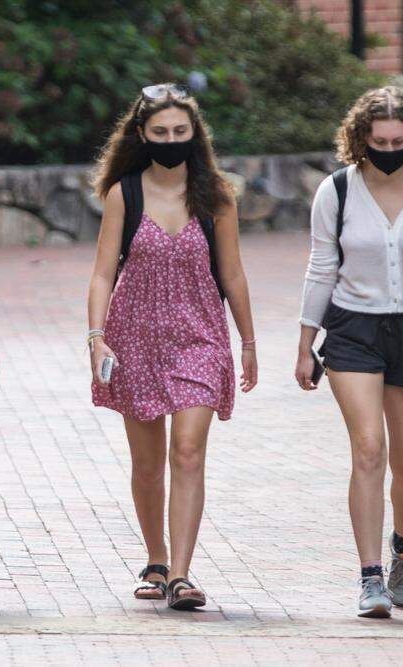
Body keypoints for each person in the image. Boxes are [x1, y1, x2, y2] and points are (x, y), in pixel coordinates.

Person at [294, 86, 403, 618]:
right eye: (379, 142)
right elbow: (321, 267)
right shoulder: (337, 190)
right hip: (353, 327)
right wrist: (305, 344)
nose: (389, 150)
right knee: (369, 448)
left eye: (398, 142)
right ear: (360, 139)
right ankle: (369, 576)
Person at [87, 83, 258, 610]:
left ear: (194, 133)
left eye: (180, 131)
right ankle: (156, 560)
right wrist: (96, 338)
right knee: (147, 463)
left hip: (199, 337)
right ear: (142, 135)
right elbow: (102, 274)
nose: (170, 140)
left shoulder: (216, 196)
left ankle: (182, 574)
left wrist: (248, 341)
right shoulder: (125, 195)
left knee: (187, 449)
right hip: (135, 337)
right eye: (160, 132)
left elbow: (232, 272)